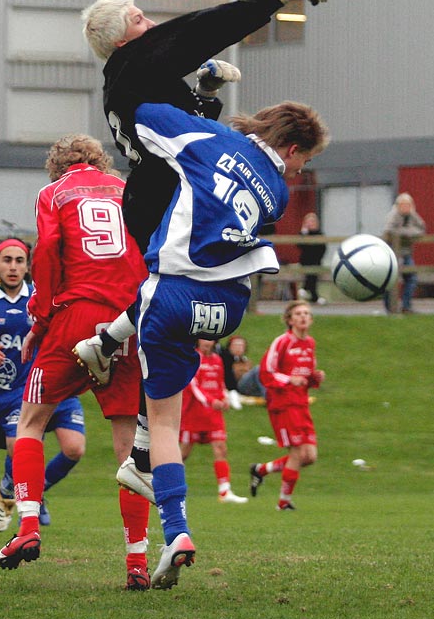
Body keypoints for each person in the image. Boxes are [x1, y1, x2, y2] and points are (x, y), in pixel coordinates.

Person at [75, 0, 341, 518]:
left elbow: (191, 124)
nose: (151, 24)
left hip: (161, 198)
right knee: (184, 322)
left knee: (172, 319)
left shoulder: (137, 75)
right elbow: (196, 32)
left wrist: (206, 92)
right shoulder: (130, 65)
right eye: (140, 18)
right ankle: (142, 447)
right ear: (122, 38)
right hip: (162, 205)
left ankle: (105, 350)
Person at [130, 98, 330, 588]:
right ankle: (149, 485)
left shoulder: (212, 139)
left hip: (172, 291)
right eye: (305, 159)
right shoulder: (277, 195)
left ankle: (173, 526)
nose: (301, 169)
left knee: (161, 421)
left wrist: (197, 108)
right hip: (224, 310)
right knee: (167, 405)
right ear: (291, 147)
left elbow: (144, 113)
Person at [0, 135, 152, 593]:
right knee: (128, 445)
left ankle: (27, 527)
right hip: (126, 317)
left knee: (30, 421)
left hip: (75, 313)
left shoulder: (54, 192)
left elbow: (46, 253)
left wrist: (39, 321)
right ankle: (137, 560)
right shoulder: (125, 188)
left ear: (56, 166)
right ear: (100, 161)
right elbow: (143, 249)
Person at [0, 239, 85, 538]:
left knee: (25, 442)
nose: (13, 267)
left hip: (25, 390)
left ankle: (16, 490)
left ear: (28, 266)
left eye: (20, 261)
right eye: (7, 260)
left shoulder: (39, 299)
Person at [249, 300, 325, 510]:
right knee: (297, 452)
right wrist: (289, 380)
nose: (303, 317)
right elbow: (267, 372)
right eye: (298, 313)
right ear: (290, 319)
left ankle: (261, 470)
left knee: (309, 457)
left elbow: (306, 376)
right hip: (283, 404)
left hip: (301, 403)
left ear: (311, 320)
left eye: (306, 314)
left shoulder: (310, 343)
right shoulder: (283, 342)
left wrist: (315, 378)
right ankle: (284, 501)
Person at [180, 339, 248, 504]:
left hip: (213, 414)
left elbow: (220, 382)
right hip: (194, 412)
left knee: (220, 448)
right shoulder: (193, 357)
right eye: (203, 338)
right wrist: (211, 401)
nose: (207, 342)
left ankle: (224, 491)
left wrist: (224, 397)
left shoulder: (217, 359)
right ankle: (163, 485)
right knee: (182, 453)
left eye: (210, 339)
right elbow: (193, 384)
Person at [382, 193, 426, 314]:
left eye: (408, 204)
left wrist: (407, 232)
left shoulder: (412, 215)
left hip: (406, 253)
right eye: (403, 204)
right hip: (391, 253)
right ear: (398, 205)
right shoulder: (393, 215)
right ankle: (389, 308)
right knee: (390, 280)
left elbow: (422, 228)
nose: (406, 207)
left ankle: (406, 306)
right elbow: (389, 230)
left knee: (411, 278)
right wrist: (408, 232)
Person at [215, 335, 252, 410]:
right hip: (238, 386)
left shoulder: (246, 360)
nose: (238, 348)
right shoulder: (226, 358)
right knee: (258, 370)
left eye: (241, 346)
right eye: (236, 345)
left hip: (247, 386)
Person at [296, 212, 326, 304]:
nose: (310, 224)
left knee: (313, 273)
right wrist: (303, 233)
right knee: (310, 273)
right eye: (308, 222)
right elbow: (299, 245)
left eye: (312, 222)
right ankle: (314, 296)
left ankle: (306, 289)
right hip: (305, 260)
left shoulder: (320, 234)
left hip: (316, 260)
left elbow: (322, 248)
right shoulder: (304, 234)